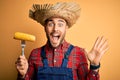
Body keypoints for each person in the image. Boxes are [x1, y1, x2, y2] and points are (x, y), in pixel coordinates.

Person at [15, 2, 108, 80]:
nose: (55, 29)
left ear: (66, 27)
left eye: (60, 24)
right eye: (51, 24)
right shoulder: (35, 54)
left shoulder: (79, 53)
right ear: (45, 27)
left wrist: (94, 66)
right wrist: (22, 75)